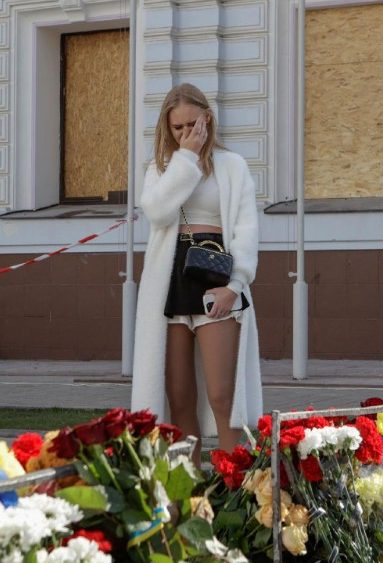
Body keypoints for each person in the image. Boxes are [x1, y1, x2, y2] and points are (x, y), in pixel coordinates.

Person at [130, 83, 262, 458]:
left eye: (193, 124)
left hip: (217, 279)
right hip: (170, 282)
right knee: (179, 396)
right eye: (177, 128)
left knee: (224, 396)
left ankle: (233, 490)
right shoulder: (161, 169)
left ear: (207, 118)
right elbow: (157, 213)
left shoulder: (231, 165)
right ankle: (182, 498)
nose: (186, 134)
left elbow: (246, 229)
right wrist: (185, 159)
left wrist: (235, 286)